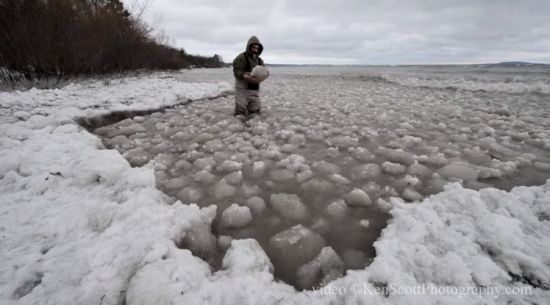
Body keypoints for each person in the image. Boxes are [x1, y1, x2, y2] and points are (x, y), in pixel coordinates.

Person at [232, 36, 264, 117]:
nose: (255, 50)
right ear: (249, 47)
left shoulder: (260, 61)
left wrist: (265, 75)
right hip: (242, 90)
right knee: (240, 113)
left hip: (254, 90)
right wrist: (245, 76)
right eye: (253, 47)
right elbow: (237, 72)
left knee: (255, 112)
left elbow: (263, 72)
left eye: (257, 48)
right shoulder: (241, 57)